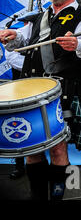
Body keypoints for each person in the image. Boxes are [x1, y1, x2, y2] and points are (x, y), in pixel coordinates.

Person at [0, 0, 81, 200]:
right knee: (33, 146)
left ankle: (58, 196)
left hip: (66, 90)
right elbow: (23, 41)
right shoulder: (40, 17)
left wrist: (78, 45)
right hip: (33, 90)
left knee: (59, 147)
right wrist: (12, 37)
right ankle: (38, 196)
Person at [4, 11, 37, 180]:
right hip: (19, 88)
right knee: (18, 126)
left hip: (37, 88)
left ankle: (37, 164)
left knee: (37, 127)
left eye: (30, 24)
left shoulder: (41, 41)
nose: (27, 27)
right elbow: (13, 60)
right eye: (26, 24)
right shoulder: (15, 41)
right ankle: (18, 166)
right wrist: (35, 61)